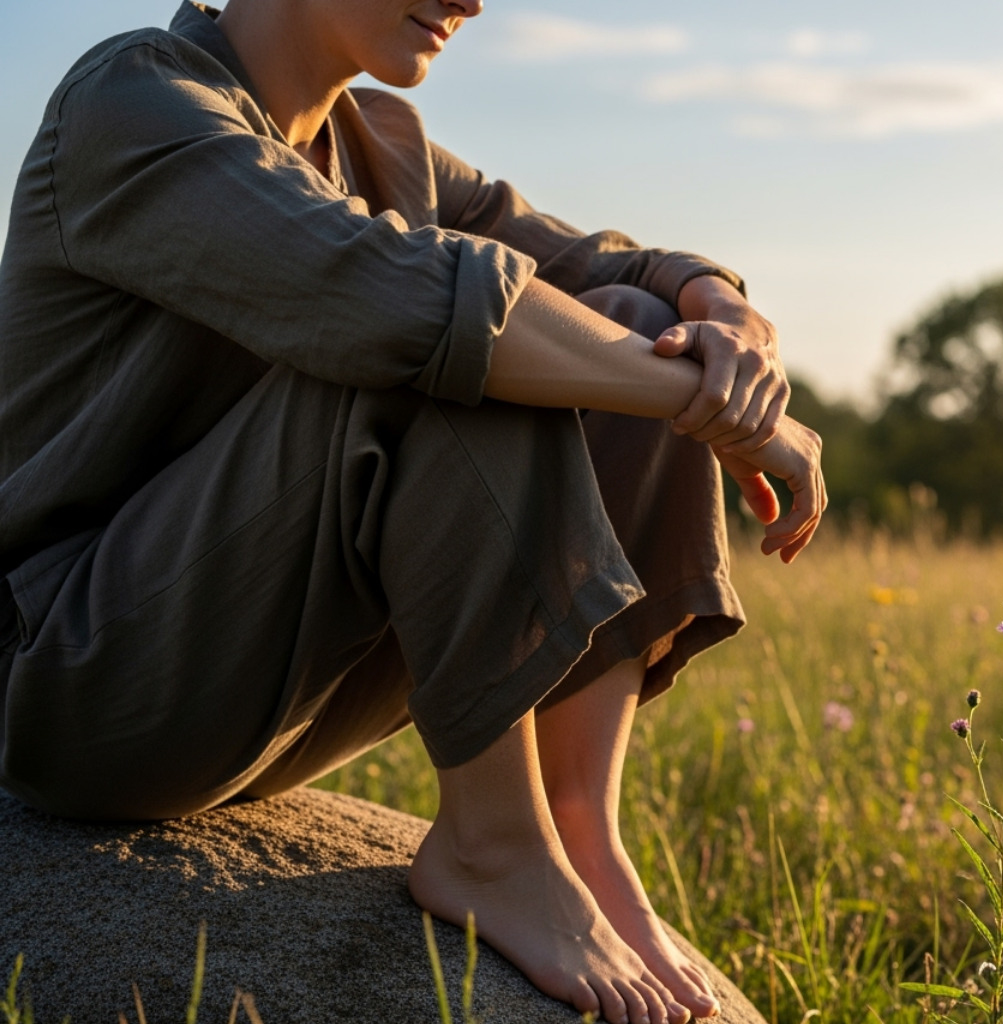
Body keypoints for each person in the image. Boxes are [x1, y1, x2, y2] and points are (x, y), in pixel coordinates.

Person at [0, 1, 826, 1022]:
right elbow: (392, 300)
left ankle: (578, 828)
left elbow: (616, 274)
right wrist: (723, 415)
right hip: (82, 680)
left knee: (639, 331)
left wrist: (725, 317)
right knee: (450, 347)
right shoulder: (133, 100)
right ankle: (492, 845)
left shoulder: (384, 143)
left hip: (259, 673)